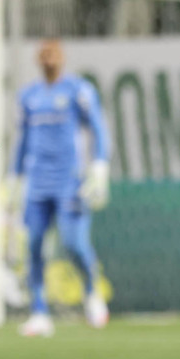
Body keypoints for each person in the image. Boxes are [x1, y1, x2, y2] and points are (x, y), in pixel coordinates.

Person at [11, 39, 110, 338]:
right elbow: (23, 140)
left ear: (62, 58)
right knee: (34, 246)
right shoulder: (29, 96)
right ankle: (39, 312)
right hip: (38, 183)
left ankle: (92, 293)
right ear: (38, 60)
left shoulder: (78, 91)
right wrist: (14, 178)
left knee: (74, 244)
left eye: (53, 54)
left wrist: (99, 167)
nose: (49, 60)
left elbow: (99, 128)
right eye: (44, 55)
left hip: (70, 181)